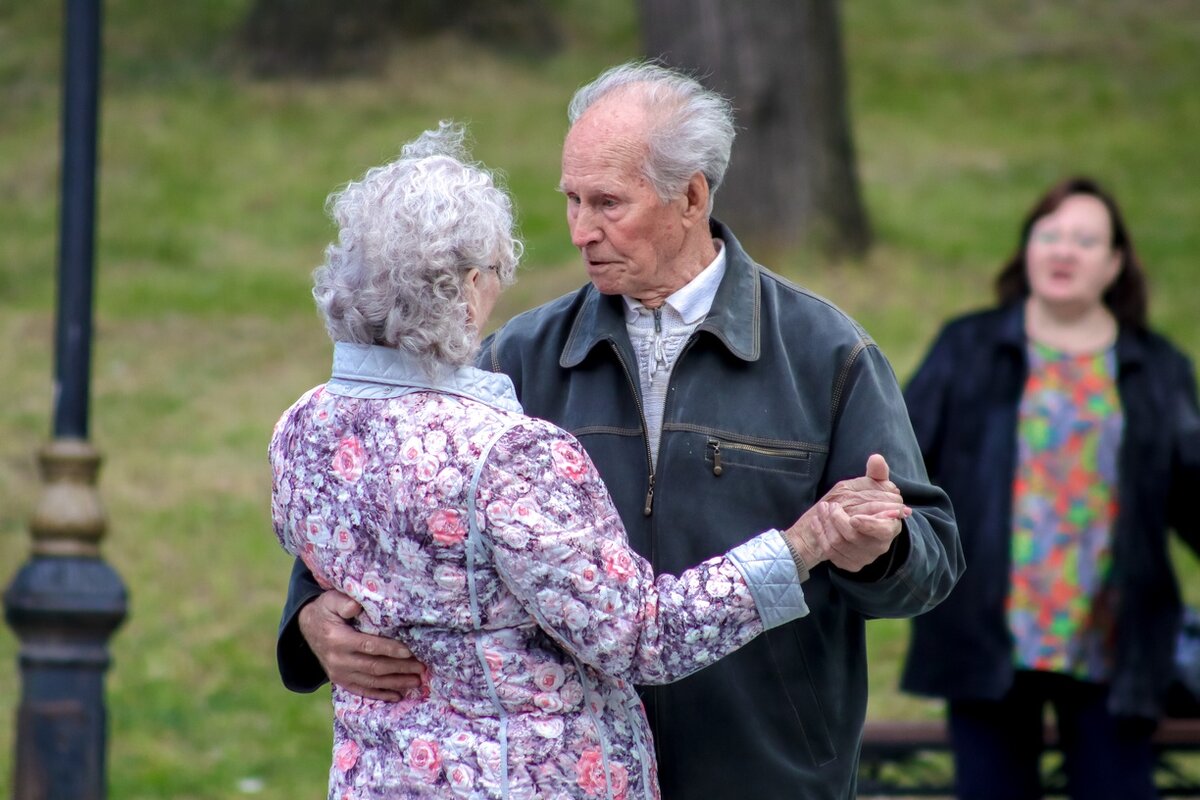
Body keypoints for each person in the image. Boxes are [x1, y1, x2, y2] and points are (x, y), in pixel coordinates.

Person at [280, 63, 963, 800]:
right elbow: (390, 508)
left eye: (606, 203)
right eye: (571, 200)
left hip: (763, 774)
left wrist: (883, 551)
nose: (579, 231)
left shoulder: (826, 352)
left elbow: (932, 557)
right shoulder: (518, 355)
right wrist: (309, 618)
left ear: (691, 196)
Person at [900, 176, 1200, 800]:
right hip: (986, 641)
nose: (1064, 251)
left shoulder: (1159, 368)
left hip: (1114, 649)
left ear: (1116, 264)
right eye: (1051, 234)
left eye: (1086, 240)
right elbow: (903, 470)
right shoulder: (967, 347)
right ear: (1027, 250)